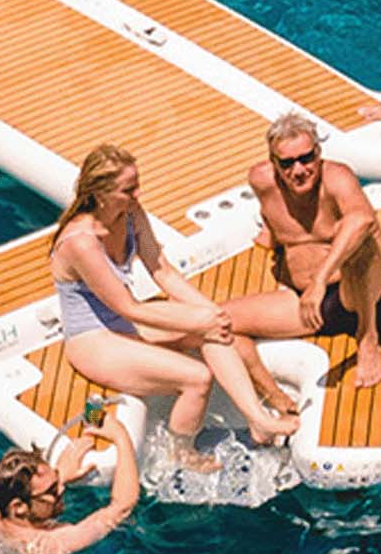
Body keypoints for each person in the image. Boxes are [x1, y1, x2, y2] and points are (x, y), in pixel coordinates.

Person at [48, 145, 300, 465]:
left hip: (127, 323)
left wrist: (212, 314)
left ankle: (258, 419)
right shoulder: (81, 243)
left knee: (218, 331)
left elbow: (162, 271)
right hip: (94, 340)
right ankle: (181, 453)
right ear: (101, 193)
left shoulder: (130, 213)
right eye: (129, 189)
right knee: (197, 378)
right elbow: (128, 307)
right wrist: (197, 322)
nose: (138, 193)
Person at [224, 115, 381, 390]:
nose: (299, 169)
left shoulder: (336, 178)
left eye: (306, 158)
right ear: (274, 163)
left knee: (356, 238)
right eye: (287, 163)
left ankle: (367, 337)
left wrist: (319, 280)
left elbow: (362, 219)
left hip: (362, 292)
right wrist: (274, 238)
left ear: (318, 154)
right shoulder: (261, 180)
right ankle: (273, 398)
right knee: (219, 320)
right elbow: (275, 214)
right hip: (309, 305)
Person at [0, 420, 138, 554]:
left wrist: (61, 474)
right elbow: (122, 507)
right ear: (19, 507)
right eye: (52, 489)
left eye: (57, 480)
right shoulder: (51, 543)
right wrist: (121, 437)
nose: (62, 488)